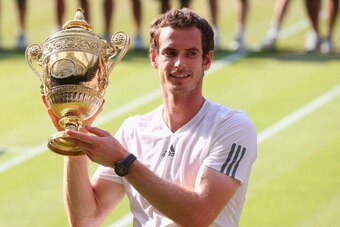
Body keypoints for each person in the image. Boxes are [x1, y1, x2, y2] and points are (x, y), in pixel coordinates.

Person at [43, 8, 257, 226]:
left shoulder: (232, 126)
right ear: (154, 58)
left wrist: (124, 162)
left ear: (207, 60)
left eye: (191, 53)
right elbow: (85, 219)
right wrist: (74, 134)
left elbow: (198, 216)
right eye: (170, 52)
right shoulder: (134, 130)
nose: (179, 64)